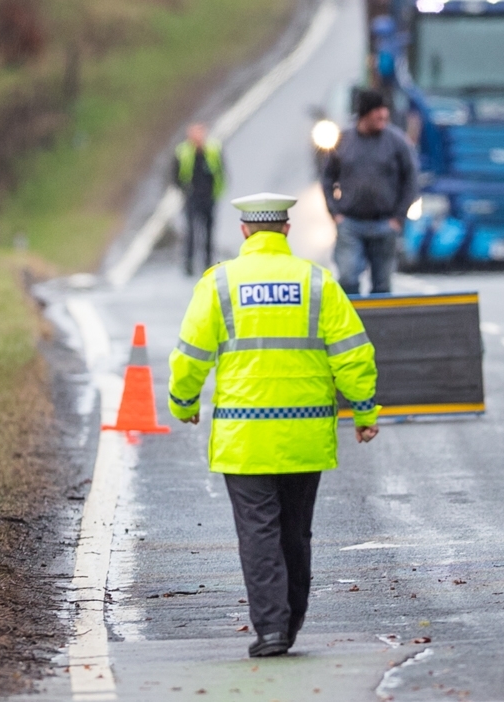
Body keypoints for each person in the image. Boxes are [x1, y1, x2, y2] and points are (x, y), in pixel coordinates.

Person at [167, 193, 379, 659]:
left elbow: (190, 356)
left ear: (245, 232)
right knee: (295, 533)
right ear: (285, 230)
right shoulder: (317, 282)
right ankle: (291, 621)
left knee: (258, 533)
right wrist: (364, 412)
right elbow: (353, 353)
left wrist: (183, 403)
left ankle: (271, 630)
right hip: (305, 437)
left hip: (245, 440)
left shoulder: (220, 283)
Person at [321, 90, 419, 294]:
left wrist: (399, 217)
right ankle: (351, 321)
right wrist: (335, 212)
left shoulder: (396, 142)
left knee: (382, 284)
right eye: (378, 117)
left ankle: (380, 325)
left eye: (385, 117)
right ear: (365, 115)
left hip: (384, 223)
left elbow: (410, 179)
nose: (383, 121)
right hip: (350, 223)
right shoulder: (343, 140)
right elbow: (328, 177)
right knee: (347, 277)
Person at [173, 123, 226, 274]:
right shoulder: (182, 152)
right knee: (191, 231)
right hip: (192, 196)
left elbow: (221, 171)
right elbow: (175, 174)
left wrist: (217, 191)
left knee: (209, 229)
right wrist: (184, 190)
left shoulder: (213, 150)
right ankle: (188, 263)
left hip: (209, 195)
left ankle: (208, 262)